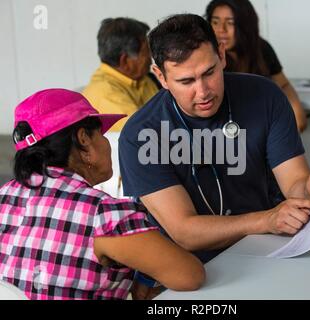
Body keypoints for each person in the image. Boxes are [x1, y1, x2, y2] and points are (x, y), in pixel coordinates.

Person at [119, 14, 310, 265]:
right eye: (186, 81)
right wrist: (267, 220)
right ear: (160, 77)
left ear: (222, 55)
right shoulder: (141, 134)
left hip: (268, 248)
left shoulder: (265, 96)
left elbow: (294, 182)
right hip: (190, 267)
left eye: (209, 72)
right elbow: (185, 232)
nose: (203, 91)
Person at [0, 89, 204, 300]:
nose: (106, 142)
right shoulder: (103, 215)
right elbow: (190, 275)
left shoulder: (4, 196)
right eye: (101, 134)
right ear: (84, 139)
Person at [83, 17, 159, 197]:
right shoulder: (104, 93)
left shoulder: (144, 80)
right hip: (130, 185)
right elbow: (149, 136)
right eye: (146, 52)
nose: (151, 59)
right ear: (125, 60)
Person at [205, 0, 307, 133]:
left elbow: (283, 85)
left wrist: (297, 115)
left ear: (245, 25)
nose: (221, 29)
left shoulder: (261, 48)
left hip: (262, 124)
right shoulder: (207, 55)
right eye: (215, 22)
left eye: (230, 23)